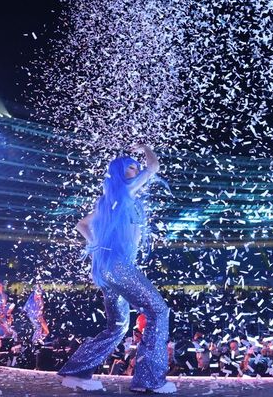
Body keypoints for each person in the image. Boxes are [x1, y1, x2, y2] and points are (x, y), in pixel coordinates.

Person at [57, 145, 176, 394]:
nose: (138, 169)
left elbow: (81, 225)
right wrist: (146, 148)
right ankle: (150, 380)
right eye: (132, 166)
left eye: (136, 165)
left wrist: (98, 247)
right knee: (158, 310)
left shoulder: (112, 200)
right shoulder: (123, 192)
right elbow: (153, 167)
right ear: (120, 173)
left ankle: (77, 372)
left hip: (109, 269)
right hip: (119, 268)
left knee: (118, 326)